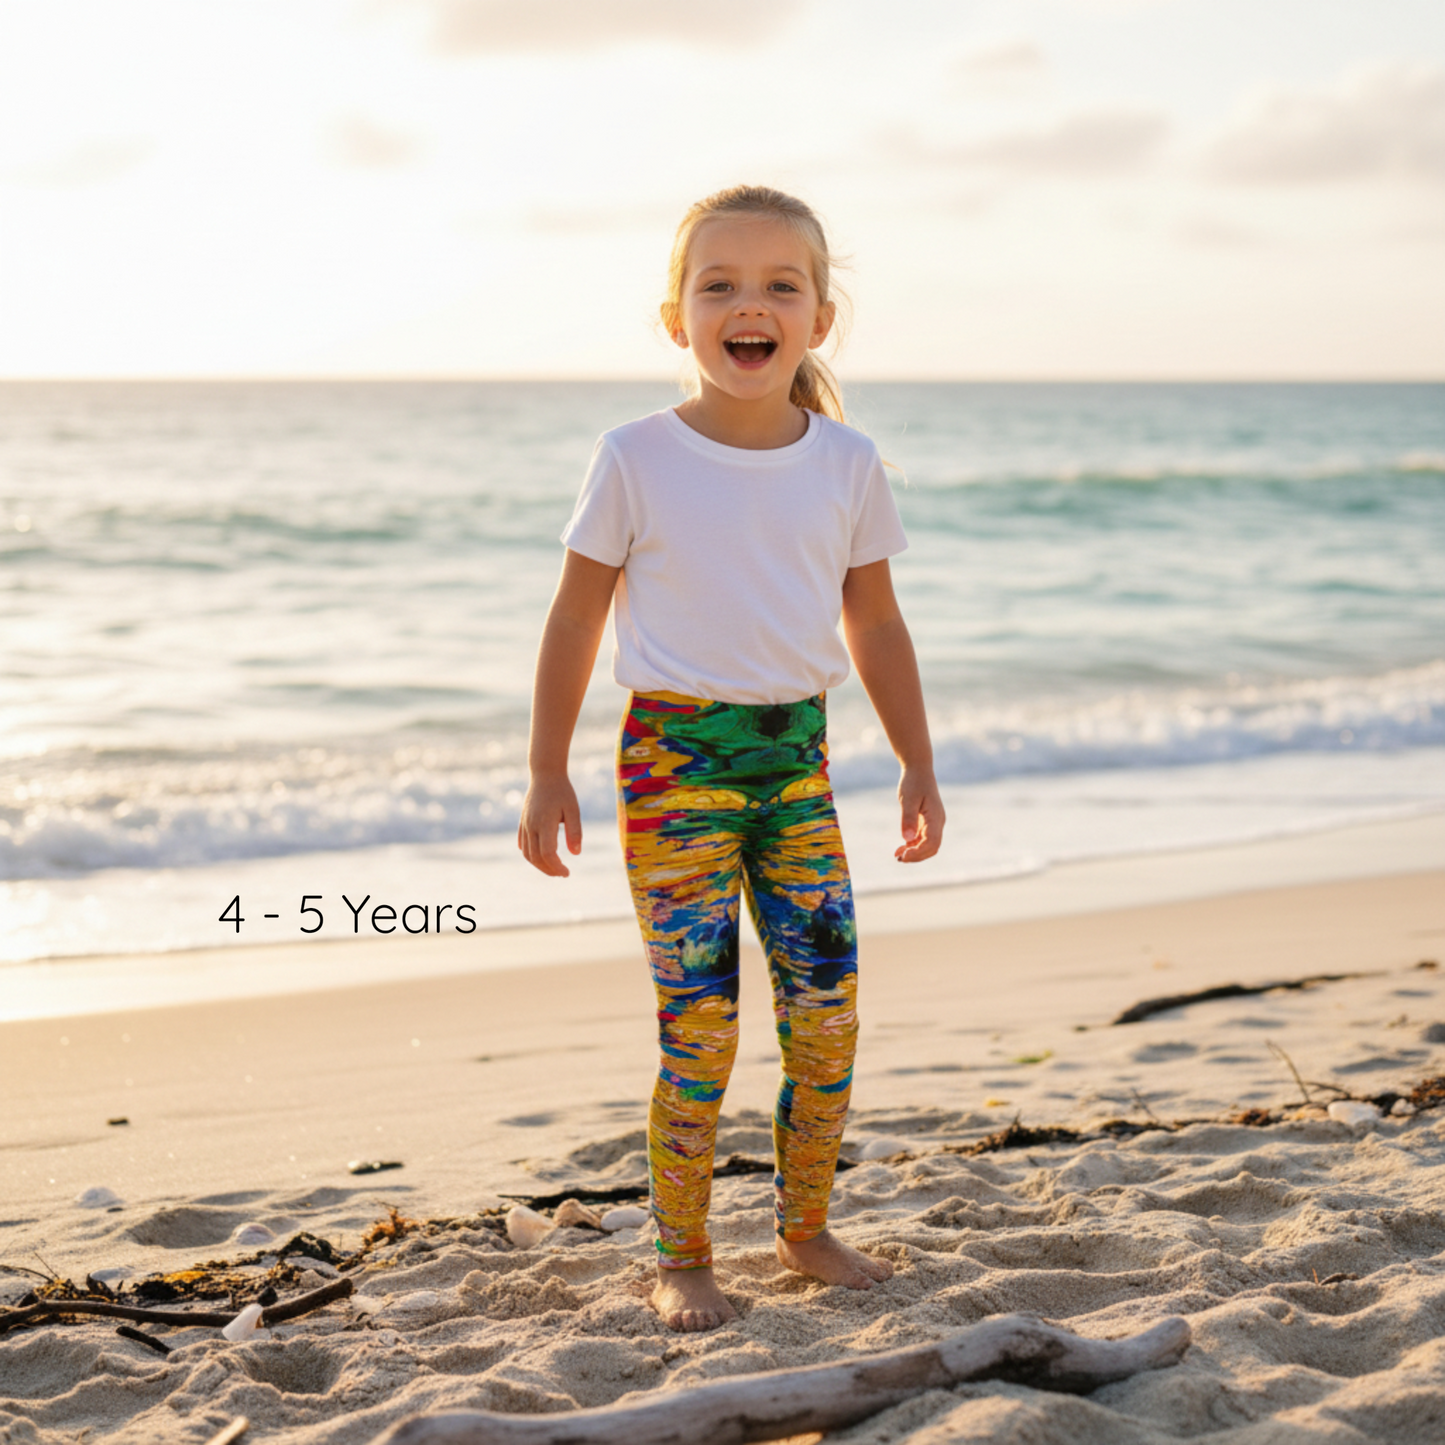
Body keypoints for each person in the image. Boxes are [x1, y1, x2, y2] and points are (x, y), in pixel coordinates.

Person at [517, 184, 944, 1332]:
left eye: (777, 286)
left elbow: (878, 626)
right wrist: (546, 767)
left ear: (816, 319)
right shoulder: (635, 457)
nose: (746, 305)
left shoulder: (847, 463)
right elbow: (572, 619)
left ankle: (802, 1227)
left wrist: (915, 758)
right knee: (699, 1025)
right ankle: (681, 1253)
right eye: (718, 285)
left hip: (793, 761)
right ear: (675, 318)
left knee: (827, 1013)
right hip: (670, 768)